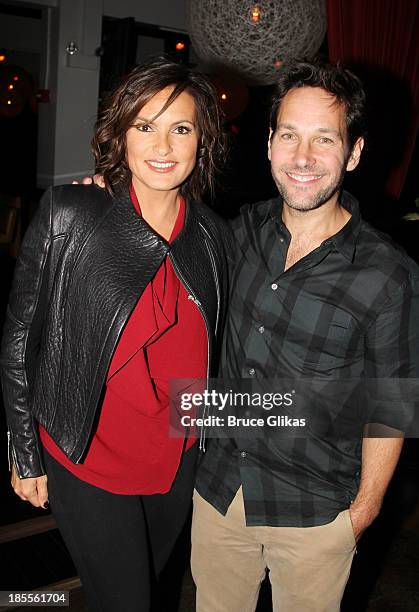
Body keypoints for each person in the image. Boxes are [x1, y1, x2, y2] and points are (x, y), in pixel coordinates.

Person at [0, 57, 230, 612]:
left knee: (141, 593)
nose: (163, 145)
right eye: (144, 125)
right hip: (87, 454)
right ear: (120, 133)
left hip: (176, 459)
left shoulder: (216, 237)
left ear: (203, 141)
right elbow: (18, 340)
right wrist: (24, 451)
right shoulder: (70, 213)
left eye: (181, 128)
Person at [191, 60, 419, 611]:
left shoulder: (389, 274)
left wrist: (359, 517)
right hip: (220, 490)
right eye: (290, 135)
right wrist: (105, 195)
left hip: (317, 512)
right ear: (269, 143)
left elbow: (392, 406)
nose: (303, 157)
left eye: (325, 139)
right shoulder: (239, 230)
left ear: (355, 153)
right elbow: (162, 227)